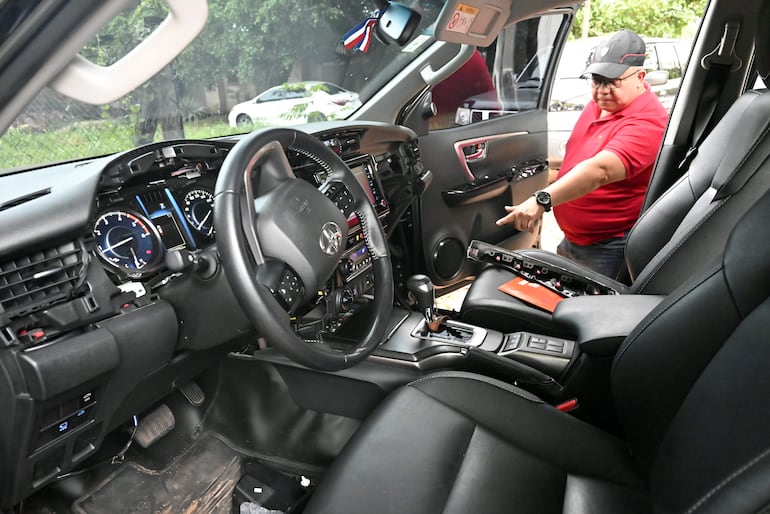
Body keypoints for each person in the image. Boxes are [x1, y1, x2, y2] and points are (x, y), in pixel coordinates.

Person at [495, 29, 669, 279]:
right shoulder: (598, 106)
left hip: (607, 248)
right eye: (596, 80)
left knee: (591, 312)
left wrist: (542, 199)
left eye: (612, 81)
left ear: (640, 77)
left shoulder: (648, 122)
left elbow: (601, 171)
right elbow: (578, 157)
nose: (602, 90)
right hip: (574, 241)